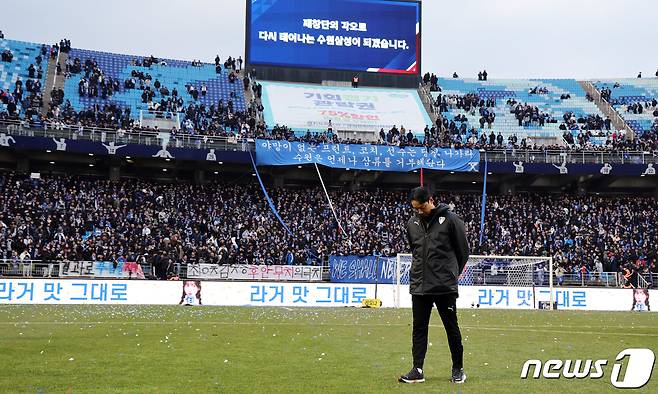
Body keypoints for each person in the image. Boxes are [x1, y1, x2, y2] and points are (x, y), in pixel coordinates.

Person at [399, 187, 469, 384]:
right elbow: (415, 250)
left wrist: (451, 274)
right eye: (415, 209)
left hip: (444, 286)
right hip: (420, 286)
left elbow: (463, 251)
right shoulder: (411, 223)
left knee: (451, 327)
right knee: (419, 328)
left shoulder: (451, 219)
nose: (419, 212)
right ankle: (417, 369)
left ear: (431, 200)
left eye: (421, 207)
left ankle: (458, 369)